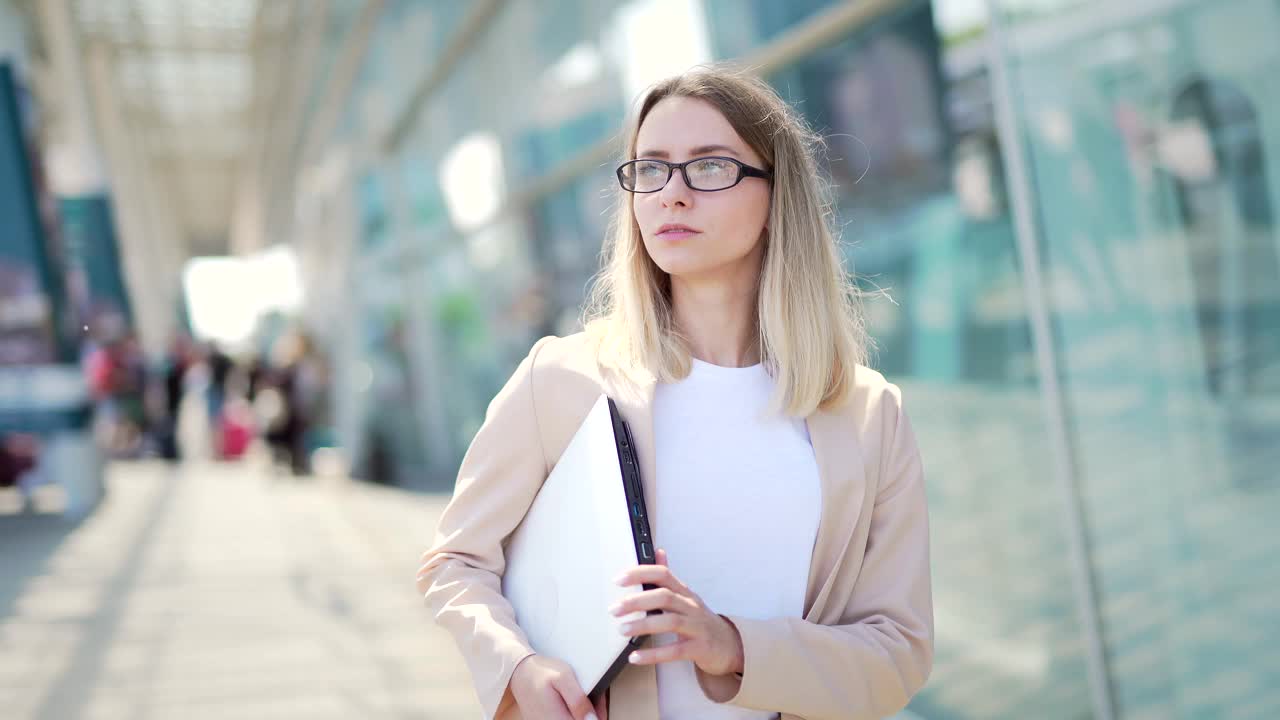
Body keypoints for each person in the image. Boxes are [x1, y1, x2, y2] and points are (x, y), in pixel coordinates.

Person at [415, 66, 932, 720]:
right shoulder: (562, 380)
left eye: (710, 167)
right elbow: (456, 563)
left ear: (777, 198)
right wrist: (520, 668)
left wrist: (734, 646)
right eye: (651, 168)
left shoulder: (866, 416)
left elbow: (898, 650)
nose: (673, 194)